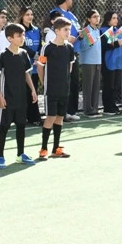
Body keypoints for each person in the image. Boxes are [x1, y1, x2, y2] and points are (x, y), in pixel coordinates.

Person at [0, 23, 38, 167]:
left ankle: (20, 154)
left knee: (21, 125)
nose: (22, 38)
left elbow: (26, 73)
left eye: (23, 35)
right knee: (4, 127)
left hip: (21, 97)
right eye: (19, 36)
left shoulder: (24, 54)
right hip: (7, 98)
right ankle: (0, 157)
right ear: (10, 38)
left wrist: (32, 89)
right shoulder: (2, 55)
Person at [37, 17, 75, 159]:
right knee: (50, 117)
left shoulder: (69, 48)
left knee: (59, 118)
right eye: (65, 30)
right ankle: (43, 149)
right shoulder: (47, 47)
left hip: (64, 89)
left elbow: (70, 66)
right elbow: (40, 66)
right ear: (57, 31)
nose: (68, 32)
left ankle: (56, 149)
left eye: (69, 29)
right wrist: (44, 83)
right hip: (51, 90)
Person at [50, 0, 81, 119]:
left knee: (74, 82)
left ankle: (72, 111)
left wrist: (80, 34)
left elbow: (76, 30)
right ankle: (63, 111)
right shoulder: (54, 13)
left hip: (74, 51)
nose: (72, 0)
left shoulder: (72, 15)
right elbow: (51, 32)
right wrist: (67, 40)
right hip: (61, 52)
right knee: (64, 82)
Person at [75, 10, 103, 118]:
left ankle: (94, 108)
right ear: (89, 19)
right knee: (88, 86)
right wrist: (89, 44)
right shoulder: (86, 31)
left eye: (98, 16)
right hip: (88, 61)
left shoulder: (98, 30)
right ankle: (88, 110)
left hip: (97, 61)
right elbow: (82, 47)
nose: (97, 18)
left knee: (96, 86)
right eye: (94, 17)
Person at [19, 6, 43, 124]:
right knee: (24, 92)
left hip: (34, 67)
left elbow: (40, 46)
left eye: (31, 14)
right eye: (27, 14)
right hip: (23, 65)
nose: (30, 17)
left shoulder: (37, 30)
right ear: (22, 16)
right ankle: (23, 117)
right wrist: (34, 55)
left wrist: (38, 57)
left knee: (34, 91)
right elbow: (21, 46)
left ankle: (34, 117)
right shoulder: (19, 30)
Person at [100, 11, 122, 115]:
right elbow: (104, 46)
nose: (116, 20)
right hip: (108, 61)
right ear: (108, 19)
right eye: (114, 18)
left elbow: (121, 47)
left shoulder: (118, 31)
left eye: (116, 18)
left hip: (118, 62)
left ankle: (113, 105)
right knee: (109, 85)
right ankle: (107, 107)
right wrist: (116, 44)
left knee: (116, 85)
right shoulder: (103, 30)